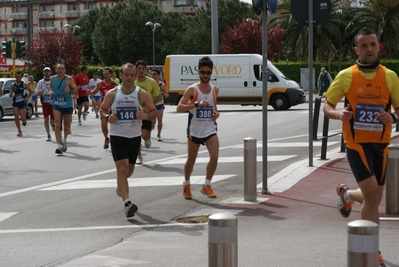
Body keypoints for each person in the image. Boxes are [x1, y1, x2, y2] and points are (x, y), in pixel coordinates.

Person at [323, 27, 399, 267]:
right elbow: (327, 105)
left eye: (372, 45)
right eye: (363, 45)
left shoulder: (390, 77)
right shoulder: (346, 75)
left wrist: (393, 119)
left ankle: (346, 194)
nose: (369, 49)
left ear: (379, 46)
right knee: (373, 195)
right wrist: (338, 115)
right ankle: (371, 250)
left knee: (373, 197)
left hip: (381, 144)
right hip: (355, 143)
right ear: (356, 49)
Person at [100, 63, 157, 218]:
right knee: (122, 169)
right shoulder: (113, 93)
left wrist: (145, 116)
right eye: (127, 75)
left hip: (134, 137)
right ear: (121, 75)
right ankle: (127, 204)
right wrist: (107, 117)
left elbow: (154, 112)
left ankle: (121, 184)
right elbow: (102, 109)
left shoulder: (142, 94)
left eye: (133, 75)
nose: (130, 77)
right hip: (118, 136)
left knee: (129, 171)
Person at [176, 56, 220, 199]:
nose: (205, 75)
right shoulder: (192, 90)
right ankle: (187, 184)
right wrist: (196, 105)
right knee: (191, 161)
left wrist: (216, 114)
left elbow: (215, 108)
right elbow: (179, 107)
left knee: (214, 156)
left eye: (208, 73)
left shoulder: (215, 90)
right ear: (198, 72)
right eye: (203, 72)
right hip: (195, 129)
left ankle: (207, 185)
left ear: (211, 73)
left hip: (210, 128)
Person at [134, 60, 161, 164]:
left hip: (146, 113)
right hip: (135, 114)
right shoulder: (132, 81)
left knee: (144, 135)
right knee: (136, 135)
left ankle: (147, 139)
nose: (141, 71)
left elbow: (158, 96)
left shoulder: (151, 82)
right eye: (139, 68)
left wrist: (150, 106)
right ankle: (139, 156)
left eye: (143, 69)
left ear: (146, 70)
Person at [87, 67, 118, 149]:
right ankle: (106, 138)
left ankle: (116, 140)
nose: (105, 75)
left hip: (113, 108)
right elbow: (93, 92)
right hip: (104, 108)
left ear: (111, 74)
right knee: (104, 127)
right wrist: (89, 92)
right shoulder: (100, 84)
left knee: (115, 126)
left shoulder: (115, 85)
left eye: (107, 74)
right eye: (104, 74)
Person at [50, 63, 77, 155]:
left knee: (66, 124)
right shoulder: (52, 79)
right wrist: (51, 92)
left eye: (62, 69)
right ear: (56, 70)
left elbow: (76, 90)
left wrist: (69, 91)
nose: (60, 70)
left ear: (65, 70)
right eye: (58, 69)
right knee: (57, 124)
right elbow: (51, 87)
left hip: (67, 104)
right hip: (56, 103)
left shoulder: (69, 79)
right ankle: (58, 145)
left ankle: (64, 140)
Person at [9, 71, 32, 137]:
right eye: (17, 77)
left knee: (22, 117)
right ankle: (19, 130)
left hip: (22, 102)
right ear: (15, 77)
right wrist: (10, 94)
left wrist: (27, 97)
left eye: (19, 77)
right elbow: (11, 93)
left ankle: (24, 121)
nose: (18, 78)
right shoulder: (12, 85)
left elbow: (30, 91)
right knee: (16, 116)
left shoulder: (24, 84)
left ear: (21, 77)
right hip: (16, 102)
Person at [36, 67, 54, 141]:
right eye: (45, 71)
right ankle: (48, 134)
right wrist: (39, 92)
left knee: (52, 120)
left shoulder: (53, 81)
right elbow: (36, 90)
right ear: (43, 73)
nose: (46, 72)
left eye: (48, 71)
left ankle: (53, 125)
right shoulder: (40, 82)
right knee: (46, 118)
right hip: (45, 103)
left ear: (50, 72)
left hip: (52, 103)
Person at [151, 68, 168, 141]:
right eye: (151, 74)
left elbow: (167, 94)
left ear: (158, 75)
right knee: (153, 121)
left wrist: (164, 94)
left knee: (160, 120)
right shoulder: (150, 84)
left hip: (160, 104)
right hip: (152, 104)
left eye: (154, 74)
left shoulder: (162, 84)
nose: (152, 76)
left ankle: (158, 134)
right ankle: (152, 125)